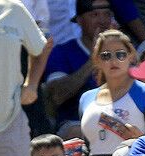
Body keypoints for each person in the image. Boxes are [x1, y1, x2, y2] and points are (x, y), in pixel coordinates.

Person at [79, 30, 145, 156]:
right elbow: (88, 146)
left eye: (120, 54)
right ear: (96, 60)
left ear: (131, 56)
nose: (113, 60)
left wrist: (140, 140)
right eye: (106, 56)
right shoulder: (86, 98)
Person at [44, 0, 115, 134]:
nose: (102, 21)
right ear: (80, 20)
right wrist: (94, 60)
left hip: (118, 118)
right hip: (76, 121)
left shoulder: (122, 52)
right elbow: (57, 96)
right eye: (94, 15)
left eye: (107, 15)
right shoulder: (62, 52)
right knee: (77, 131)